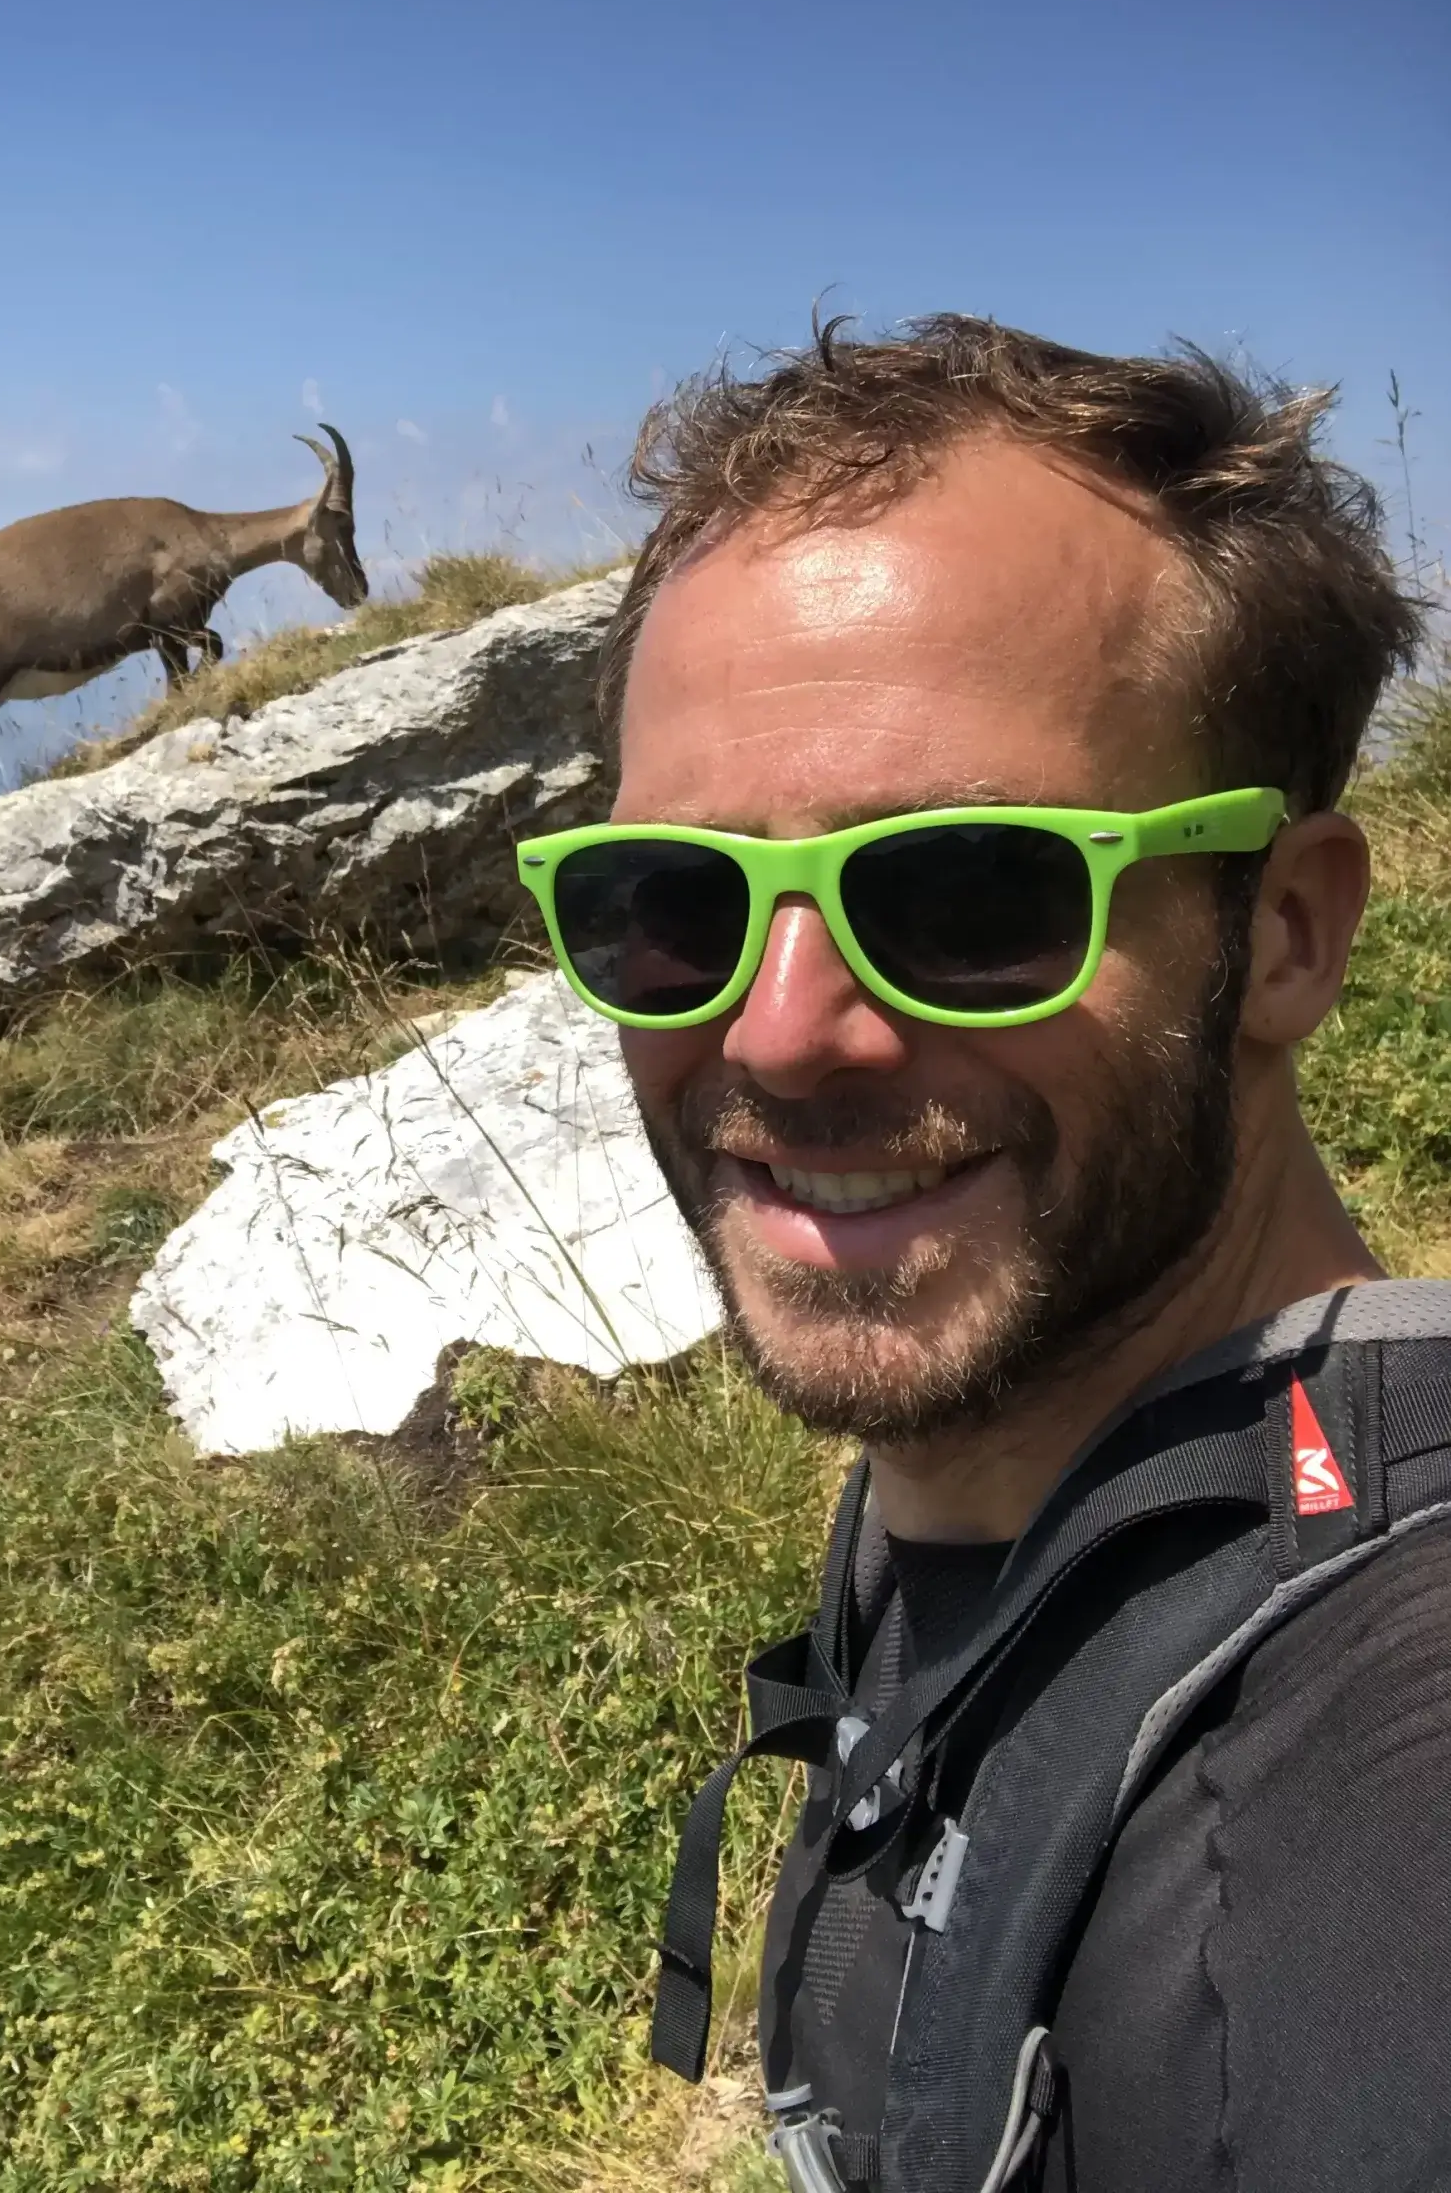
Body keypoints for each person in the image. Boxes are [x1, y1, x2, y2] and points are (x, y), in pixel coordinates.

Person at [515, 316, 1449, 2191]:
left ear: (1282, 931)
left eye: (965, 893)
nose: (778, 1035)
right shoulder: (1005, 1449)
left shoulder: (1383, 1793)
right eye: (670, 904)